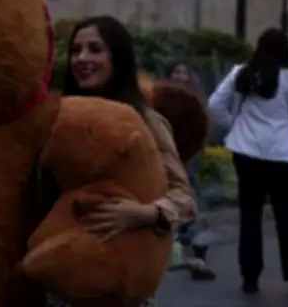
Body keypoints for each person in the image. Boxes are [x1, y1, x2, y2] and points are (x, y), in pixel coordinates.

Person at [40, 16, 197, 307]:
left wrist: (145, 213)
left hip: (118, 283)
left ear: (118, 57)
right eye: (76, 50)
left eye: (95, 49)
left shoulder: (144, 120)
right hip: (58, 283)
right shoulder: (57, 117)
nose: (82, 59)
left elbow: (184, 198)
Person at [207, 28, 288, 297]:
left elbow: (214, 104)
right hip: (279, 157)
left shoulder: (240, 73)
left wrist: (232, 126)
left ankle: (250, 278)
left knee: (250, 216)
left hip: (245, 154)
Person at [164, 60, 216, 281]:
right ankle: (173, 238)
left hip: (189, 154)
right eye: (176, 71)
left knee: (190, 192)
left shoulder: (195, 100)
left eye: (184, 71)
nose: (180, 76)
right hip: (169, 153)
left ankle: (189, 237)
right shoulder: (163, 98)